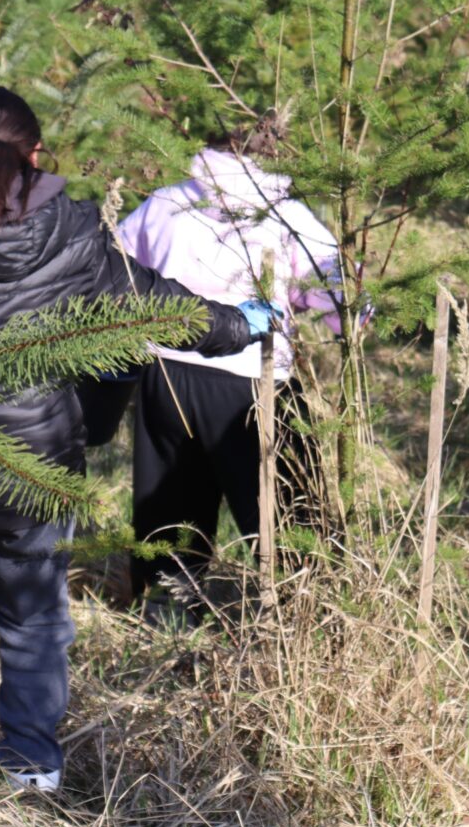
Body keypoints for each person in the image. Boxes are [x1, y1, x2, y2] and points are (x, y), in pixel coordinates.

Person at [0, 83, 268, 791]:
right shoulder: (69, 228)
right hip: (34, 471)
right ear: (32, 155)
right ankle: (31, 759)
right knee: (35, 615)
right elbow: (149, 306)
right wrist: (234, 326)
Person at [115, 114, 342, 608]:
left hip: (167, 375)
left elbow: (116, 269)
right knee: (280, 503)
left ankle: (169, 604)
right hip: (253, 380)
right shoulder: (289, 217)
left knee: (170, 499)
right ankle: (301, 609)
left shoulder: (166, 202)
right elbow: (337, 303)